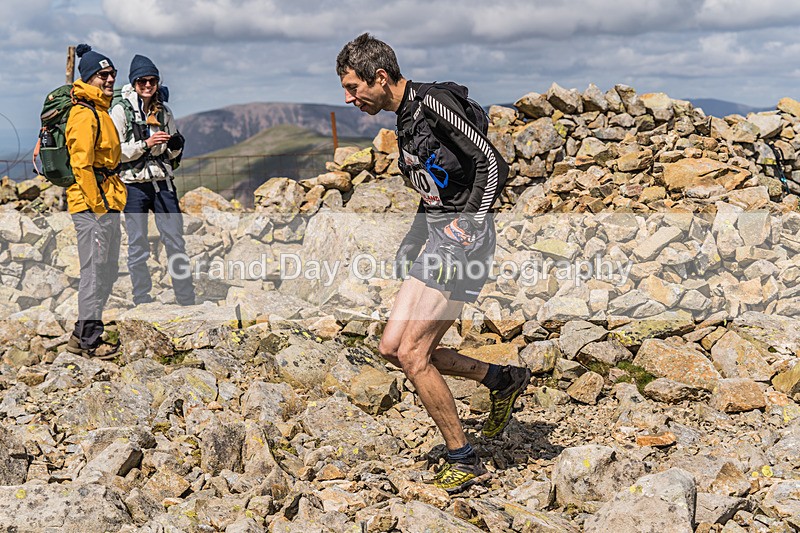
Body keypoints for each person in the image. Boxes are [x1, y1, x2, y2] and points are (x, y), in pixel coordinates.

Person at [336, 33, 531, 493]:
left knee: (413, 353)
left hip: (464, 245)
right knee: (390, 347)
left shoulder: (430, 105)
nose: (349, 99)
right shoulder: (402, 121)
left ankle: (463, 459)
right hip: (438, 240)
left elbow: (491, 163)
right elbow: (433, 189)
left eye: (352, 87)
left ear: (379, 77)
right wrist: (414, 239)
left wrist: (471, 226)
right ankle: (501, 378)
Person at [110, 54, 195, 306]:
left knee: (175, 241)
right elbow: (114, 150)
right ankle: (142, 300)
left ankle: (186, 299)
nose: (147, 86)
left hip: (162, 182)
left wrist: (176, 146)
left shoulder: (164, 111)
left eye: (152, 81)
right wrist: (145, 144)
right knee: (138, 244)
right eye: (142, 81)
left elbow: (171, 152)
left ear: (158, 82)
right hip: (133, 185)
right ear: (134, 83)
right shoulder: (120, 110)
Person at [65, 44, 127, 359]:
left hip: (107, 200)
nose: (110, 79)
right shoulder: (83, 114)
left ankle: (82, 334)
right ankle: (89, 340)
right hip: (92, 206)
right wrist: (100, 207)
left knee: (106, 269)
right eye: (103, 74)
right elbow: (81, 165)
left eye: (112, 73)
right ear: (89, 78)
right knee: (94, 270)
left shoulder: (100, 110)